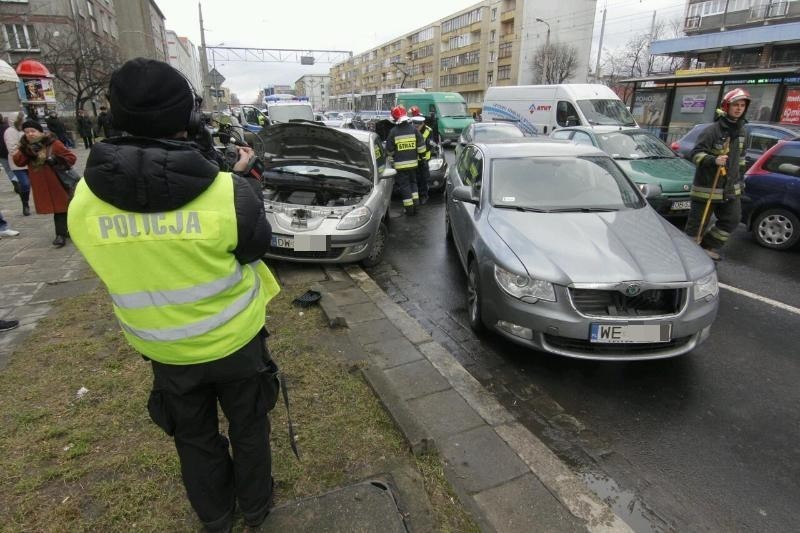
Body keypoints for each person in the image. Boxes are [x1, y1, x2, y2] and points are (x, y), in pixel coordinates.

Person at [67, 58, 280, 532]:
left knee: (193, 438)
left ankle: (217, 517)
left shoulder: (83, 199)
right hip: (236, 343)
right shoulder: (229, 192)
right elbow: (254, 250)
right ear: (189, 119)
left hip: (163, 350)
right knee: (249, 428)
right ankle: (257, 507)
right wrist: (242, 182)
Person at [685, 88, 750, 261]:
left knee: (733, 219)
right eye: (735, 105)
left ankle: (707, 246)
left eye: (742, 105)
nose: (739, 108)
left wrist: (741, 183)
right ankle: (688, 256)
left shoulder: (743, 132)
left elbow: (741, 161)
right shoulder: (712, 131)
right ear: (726, 106)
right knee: (697, 225)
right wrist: (713, 160)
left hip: (730, 188)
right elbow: (695, 154)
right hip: (707, 187)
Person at [13, 120, 76, 246]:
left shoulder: (53, 143)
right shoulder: (26, 147)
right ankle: (68, 230)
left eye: (33, 131)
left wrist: (56, 160)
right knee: (60, 208)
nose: (30, 134)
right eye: (26, 132)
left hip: (57, 182)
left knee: (60, 208)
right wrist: (26, 151)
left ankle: (60, 235)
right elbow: (19, 162)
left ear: (40, 132)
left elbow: (71, 158)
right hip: (41, 184)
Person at [385, 105, 426, 216]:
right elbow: (421, 145)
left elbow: (389, 150)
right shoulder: (413, 129)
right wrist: (423, 157)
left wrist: (393, 156)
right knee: (413, 184)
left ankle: (409, 210)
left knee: (405, 186)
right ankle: (416, 206)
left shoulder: (393, 132)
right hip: (413, 164)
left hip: (401, 166)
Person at [3, 112, 32, 216]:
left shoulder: (25, 130)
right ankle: (25, 204)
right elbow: (12, 149)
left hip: (30, 161)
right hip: (17, 163)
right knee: (25, 183)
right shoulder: (9, 132)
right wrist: (25, 146)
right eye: (21, 119)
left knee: (34, 184)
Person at [409, 106, 432, 205]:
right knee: (414, 180)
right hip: (413, 159)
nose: (417, 125)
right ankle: (416, 198)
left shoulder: (428, 130)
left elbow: (430, 145)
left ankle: (423, 196)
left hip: (423, 159)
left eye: (419, 124)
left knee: (423, 179)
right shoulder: (409, 128)